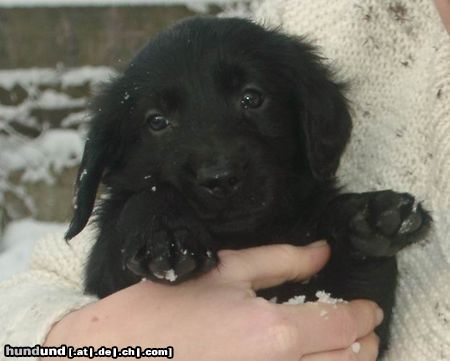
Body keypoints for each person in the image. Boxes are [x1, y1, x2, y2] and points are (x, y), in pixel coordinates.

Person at [1, 0, 449, 360]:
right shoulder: (325, 13)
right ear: (112, 155)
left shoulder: (296, 78)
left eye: (251, 99)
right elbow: (24, 320)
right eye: (158, 121)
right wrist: (92, 345)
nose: (217, 167)